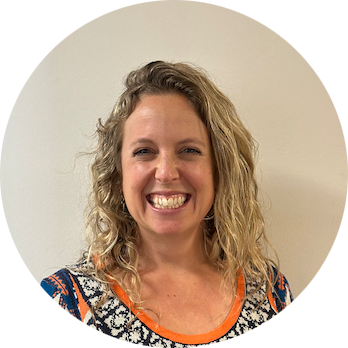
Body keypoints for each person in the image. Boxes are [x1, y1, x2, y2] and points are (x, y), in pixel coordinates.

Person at [41, 61, 293, 345]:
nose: (166, 172)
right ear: (118, 172)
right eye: (144, 151)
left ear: (219, 167)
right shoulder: (68, 300)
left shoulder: (270, 294)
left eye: (189, 150)